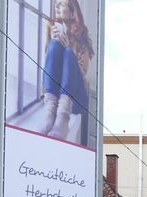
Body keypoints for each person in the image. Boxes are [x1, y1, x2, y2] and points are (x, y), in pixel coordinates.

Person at [40, 0, 95, 142]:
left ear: (72, 13)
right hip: (55, 95)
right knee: (53, 44)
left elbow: (82, 72)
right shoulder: (52, 28)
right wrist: (52, 41)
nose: (57, 6)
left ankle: (63, 118)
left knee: (69, 53)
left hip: (74, 98)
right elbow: (49, 65)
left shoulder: (83, 37)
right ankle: (49, 112)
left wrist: (67, 45)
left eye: (62, 4)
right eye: (56, 3)